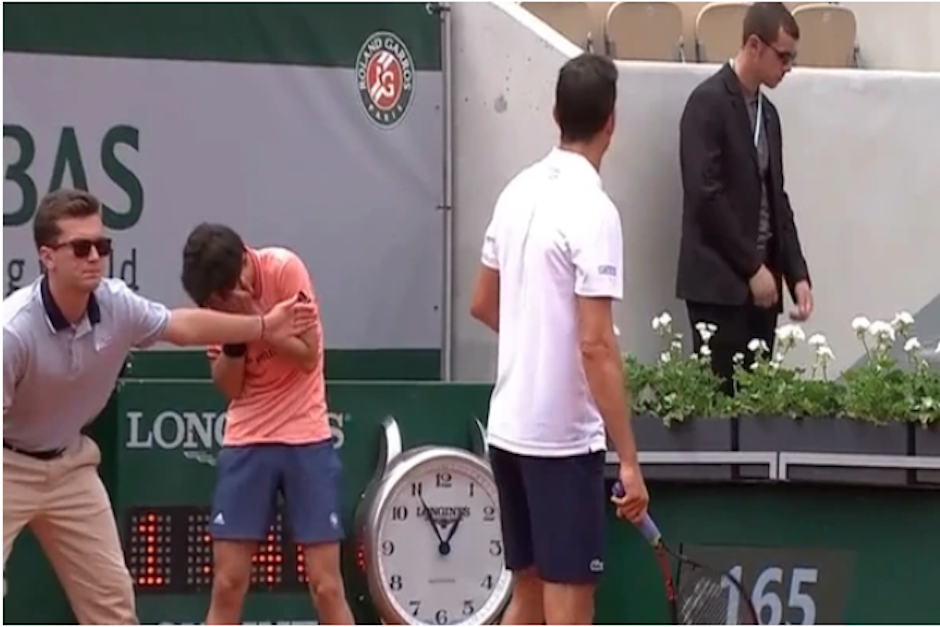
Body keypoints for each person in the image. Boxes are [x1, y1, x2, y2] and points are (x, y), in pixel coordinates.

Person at [2, 189, 317, 624]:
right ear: (47, 257)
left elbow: (182, 326)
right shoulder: (13, 333)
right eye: (80, 247)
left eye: (103, 246)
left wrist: (262, 325)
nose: (95, 256)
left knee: (113, 607)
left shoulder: (116, 305)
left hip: (69, 466)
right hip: (7, 465)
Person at [470, 53, 649, 625]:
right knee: (570, 604)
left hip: (508, 433)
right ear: (612, 122)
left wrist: (536, 338)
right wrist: (629, 461)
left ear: (554, 114)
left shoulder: (515, 191)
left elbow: (482, 303)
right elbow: (595, 345)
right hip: (561, 441)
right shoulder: (595, 211)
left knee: (526, 596)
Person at [179, 223, 354, 625]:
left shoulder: (284, 269)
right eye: (212, 303)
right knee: (228, 583)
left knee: (325, 586)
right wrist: (240, 336)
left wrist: (256, 320)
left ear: (244, 263)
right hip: (247, 439)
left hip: (306, 435)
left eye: (223, 296)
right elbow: (230, 387)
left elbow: (308, 356)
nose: (219, 305)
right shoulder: (216, 302)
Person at [676, 2, 814, 395]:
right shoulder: (707, 104)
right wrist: (752, 267)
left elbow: (777, 198)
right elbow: (705, 195)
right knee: (721, 404)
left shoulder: (768, 114)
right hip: (719, 286)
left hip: (763, 287)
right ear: (755, 46)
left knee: (758, 403)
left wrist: (797, 273)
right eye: (783, 56)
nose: (787, 67)